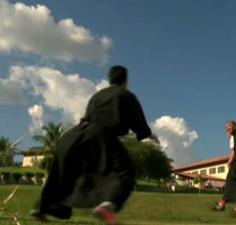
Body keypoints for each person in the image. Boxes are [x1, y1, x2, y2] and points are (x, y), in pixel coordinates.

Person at [30, 65, 158, 225]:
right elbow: (138, 122)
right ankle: (108, 204)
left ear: (110, 79)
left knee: (65, 173)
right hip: (100, 135)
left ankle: (42, 207)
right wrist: (148, 134)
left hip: (73, 135)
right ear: (125, 80)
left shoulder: (97, 96)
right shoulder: (125, 95)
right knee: (125, 170)